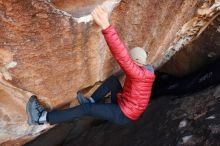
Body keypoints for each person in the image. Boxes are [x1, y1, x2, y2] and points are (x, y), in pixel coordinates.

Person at [26, 6, 156, 126]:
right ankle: (92, 102)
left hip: (123, 114)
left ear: (136, 63)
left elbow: (122, 56)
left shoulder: (138, 74)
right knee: (113, 81)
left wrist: (106, 26)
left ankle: (41, 118)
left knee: (86, 110)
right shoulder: (146, 70)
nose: (129, 63)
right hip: (126, 104)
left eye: (131, 60)